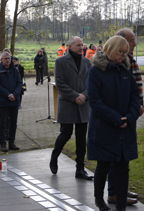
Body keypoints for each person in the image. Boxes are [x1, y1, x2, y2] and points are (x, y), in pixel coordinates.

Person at [87, 35, 140, 211]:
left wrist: (130, 116)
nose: (123, 55)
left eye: (126, 52)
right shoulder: (95, 72)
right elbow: (95, 101)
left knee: (123, 167)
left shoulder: (125, 70)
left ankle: (122, 205)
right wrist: (116, 119)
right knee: (103, 165)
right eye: (120, 52)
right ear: (110, 50)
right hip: (104, 127)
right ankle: (99, 200)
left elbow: (135, 96)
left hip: (125, 128)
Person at [107, 28, 144, 206]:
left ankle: (121, 188)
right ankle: (114, 192)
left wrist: (138, 105)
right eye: (131, 40)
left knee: (125, 155)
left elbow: (136, 88)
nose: (135, 44)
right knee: (117, 155)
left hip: (130, 112)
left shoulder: (129, 58)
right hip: (120, 115)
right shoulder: (120, 61)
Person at [49, 36, 93, 180]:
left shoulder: (87, 62)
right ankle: (54, 156)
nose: (81, 47)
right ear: (70, 46)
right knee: (65, 134)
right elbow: (60, 83)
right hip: (68, 103)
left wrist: (85, 96)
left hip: (83, 105)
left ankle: (80, 169)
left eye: (82, 45)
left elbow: (91, 82)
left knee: (81, 139)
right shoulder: (60, 61)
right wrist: (75, 96)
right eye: (78, 45)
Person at [0, 52, 23, 152]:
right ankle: (2, 143)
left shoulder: (15, 70)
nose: (8, 60)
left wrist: (14, 94)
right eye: (6, 58)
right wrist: (8, 95)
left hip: (14, 100)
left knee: (13, 123)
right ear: (1, 60)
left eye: (9, 58)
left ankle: (12, 142)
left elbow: (19, 83)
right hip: (3, 100)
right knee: (2, 122)